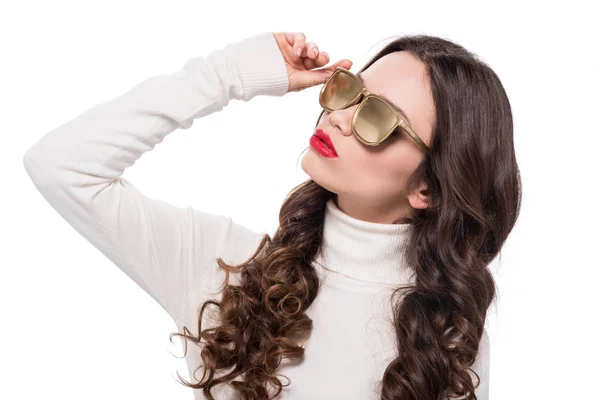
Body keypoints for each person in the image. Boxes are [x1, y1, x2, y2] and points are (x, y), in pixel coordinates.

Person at [23, 31, 521, 400]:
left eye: (377, 118)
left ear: (428, 187)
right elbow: (60, 165)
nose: (338, 117)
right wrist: (230, 74)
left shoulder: (441, 334)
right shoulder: (227, 268)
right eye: (349, 90)